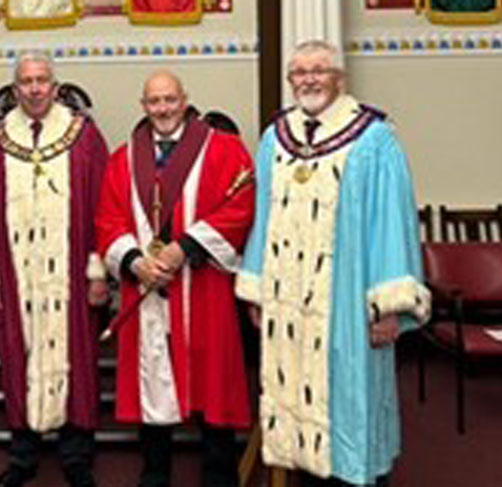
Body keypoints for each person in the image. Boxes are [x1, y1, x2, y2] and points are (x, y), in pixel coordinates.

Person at [235, 40, 430, 487]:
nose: (308, 79)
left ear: (338, 77)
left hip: (348, 303)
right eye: (299, 72)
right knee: (293, 403)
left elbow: (391, 223)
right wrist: (258, 286)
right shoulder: (275, 139)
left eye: (318, 70)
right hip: (288, 307)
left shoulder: (373, 138)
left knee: (351, 402)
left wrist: (389, 305)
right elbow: (262, 216)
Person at [95, 70, 256, 487]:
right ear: (143, 106)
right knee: (153, 381)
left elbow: (241, 206)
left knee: (212, 380)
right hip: (147, 287)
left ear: (185, 100)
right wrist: (134, 261)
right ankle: (155, 472)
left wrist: (185, 247)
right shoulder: (123, 158)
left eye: (170, 100)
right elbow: (108, 220)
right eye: (154, 102)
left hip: (203, 287)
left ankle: (219, 476)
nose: (163, 109)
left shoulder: (224, 149)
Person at [0, 51, 110, 487]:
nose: (34, 88)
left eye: (42, 80)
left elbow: (105, 206)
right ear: (15, 90)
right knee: (17, 352)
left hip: (71, 270)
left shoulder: (83, 135)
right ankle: (23, 454)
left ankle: (76, 454)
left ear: (55, 85)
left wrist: (98, 269)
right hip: (14, 272)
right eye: (26, 81)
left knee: (77, 357)